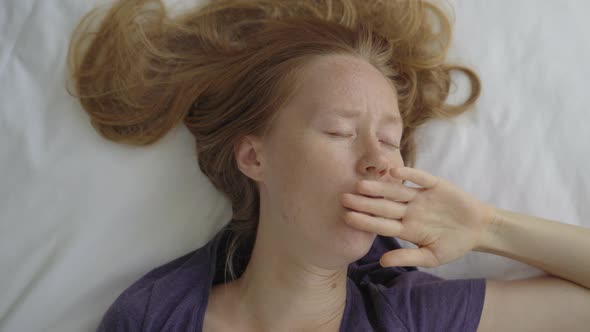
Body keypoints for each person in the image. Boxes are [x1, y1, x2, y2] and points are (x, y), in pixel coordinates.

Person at [67, 0, 590, 331]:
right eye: (340, 131)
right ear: (255, 157)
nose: (381, 161)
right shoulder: (155, 318)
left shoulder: (407, 316)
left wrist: (485, 227)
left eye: (390, 140)